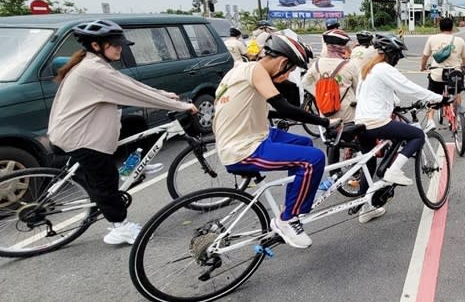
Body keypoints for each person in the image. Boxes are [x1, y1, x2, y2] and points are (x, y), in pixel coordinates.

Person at [46, 19, 198, 246]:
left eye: (120, 44)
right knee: (107, 183)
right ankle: (120, 228)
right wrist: (181, 106)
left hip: (84, 127)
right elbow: (134, 94)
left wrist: (162, 94)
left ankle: (136, 164)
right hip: (79, 136)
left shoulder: (95, 65)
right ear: (97, 46)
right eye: (115, 44)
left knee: (135, 122)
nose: (120, 48)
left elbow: (127, 84)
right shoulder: (93, 70)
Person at [213, 31, 334, 249]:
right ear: (283, 62)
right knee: (314, 159)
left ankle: (292, 201)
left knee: (304, 144)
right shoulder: (257, 70)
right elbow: (283, 107)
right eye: (291, 70)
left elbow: (262, 111)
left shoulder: (239, 69)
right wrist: (325, 122)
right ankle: (288, 219)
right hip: (244, 147)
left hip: (249, 135)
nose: (288, 76)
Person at [354, 35, 450, 223]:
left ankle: (366, 208)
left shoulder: (368, 69)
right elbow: (409, 87)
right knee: (417, 135)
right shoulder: (384, 68)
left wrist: (395, 104)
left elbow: (379, 93)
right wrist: (438, 98)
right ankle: (393, 171)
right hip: (376, 121)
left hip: (361, 122)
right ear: (392, 55)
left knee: (369, 163)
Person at [302, 28, 359, 122]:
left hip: (325, 115)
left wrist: (320, 93)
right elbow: (358, 89)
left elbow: (305, 83)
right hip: (347, 115)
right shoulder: (350, 66)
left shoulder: (316, 64)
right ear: (342, 47)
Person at [420, 16, 465, 116]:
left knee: (432, 96)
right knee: (457, 92)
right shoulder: (460, 40)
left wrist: (422, 67)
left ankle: (430, 121)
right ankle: (458, 116)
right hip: (454, 74)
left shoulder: (432, 38)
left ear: (440, 27)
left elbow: (425, 57)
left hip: (437, 75)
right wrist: (463, 70)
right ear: (452, 28)